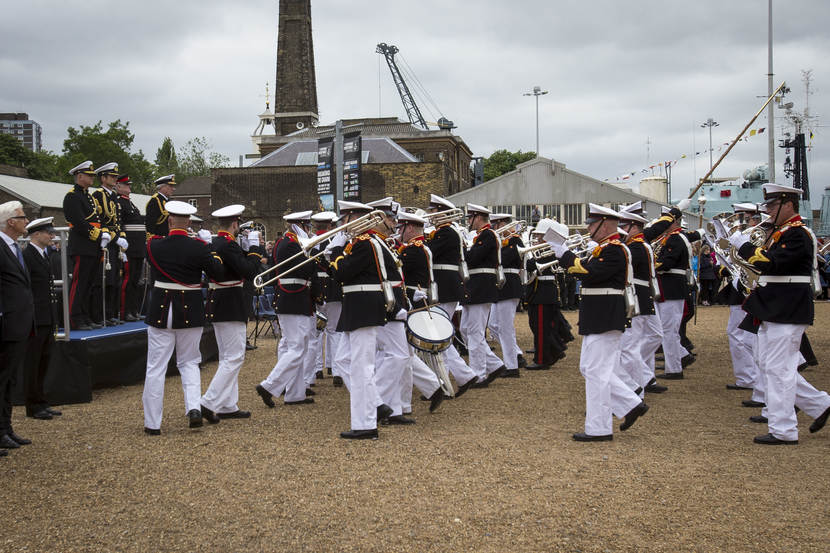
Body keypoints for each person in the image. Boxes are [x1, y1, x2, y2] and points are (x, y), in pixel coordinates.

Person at [731, 183, 830, 444]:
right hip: (775, 305)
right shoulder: (782, 233)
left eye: (773, 205)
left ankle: (783, 429)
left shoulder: (797, 234)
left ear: (788, 204)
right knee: (770, 364)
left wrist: (744, 247)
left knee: (779, 369)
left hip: (787, 306)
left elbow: (769, 263)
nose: (768, 210)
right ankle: (820, 405)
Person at [547, 203, 648, 442]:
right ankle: (631, 404)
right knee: (589, 368)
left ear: (604, 225)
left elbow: (588, 273)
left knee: (596, 371)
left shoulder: (614, 250)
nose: (588, 229)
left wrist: (565, 254)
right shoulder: (605, 249)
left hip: (605, 315)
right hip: (599, 315)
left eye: (591, 224)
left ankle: (599, 428)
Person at [142, 201, 224, 435]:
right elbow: (216, 272)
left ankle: (152, 423)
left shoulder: (153, 245)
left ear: (169, 220)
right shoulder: (199, 246)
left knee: (156, 367)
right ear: (188, 222)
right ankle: (194, 408)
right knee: (189, 362)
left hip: (160, 310)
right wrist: (211, 249)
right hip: (190, 309)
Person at [327, 200, 394, 439]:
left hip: (362, 306)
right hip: (357, 306)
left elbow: (342, 272)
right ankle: (376, 404)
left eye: (345, 220)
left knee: (361, 366)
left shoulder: (365, 243)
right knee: (343, 360)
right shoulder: (360, 243)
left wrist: (335, 252)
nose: (343, 225)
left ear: (354, 219)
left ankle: (366, 424)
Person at [201, 205, 264, 423]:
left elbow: (237, 266)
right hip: (230, 302)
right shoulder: (228, 244)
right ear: (235, 224)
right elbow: (249, 271)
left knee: (227, 356)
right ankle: (208, 402)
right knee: (235, 356)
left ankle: (228, 405)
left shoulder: (217, 243)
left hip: (220, 301)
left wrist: (244, 250)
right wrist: (254, 249)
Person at [256, 211, 319, 411]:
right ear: (300, 226)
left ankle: (295, 393)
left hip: (294, 298)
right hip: (293, 298)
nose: (309, 231)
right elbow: (305, 270)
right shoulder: (291, 244)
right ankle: (269, 385)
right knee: (297, 347)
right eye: (307, 227)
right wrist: (314, 255)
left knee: (299, 346)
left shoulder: (286, 242)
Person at [424, 195, 477, 396]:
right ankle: (460, 376)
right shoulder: (445, 232)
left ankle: (448, 381)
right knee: (440, 334)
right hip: (446, 286)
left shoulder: (446, 232)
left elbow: (429, 253)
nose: (430, 215)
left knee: (440, 334)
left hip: (445, 287)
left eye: (433, 211)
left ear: (441, 212)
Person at [617, 204, 667, 395]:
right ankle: (644, 379)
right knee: (634, 344)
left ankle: (640, 379)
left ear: (634, 227)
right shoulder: (634, 246)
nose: (621, 230)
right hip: (640, 295)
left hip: (641, 295)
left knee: (650, 338)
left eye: (624, 226)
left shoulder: (636, 246)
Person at [0, 201, 35, 455]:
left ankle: (6, 427)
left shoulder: (14, 247)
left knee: (10, 379)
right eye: (23, 217)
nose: (27, 221)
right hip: (6, 324)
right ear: (10, 222)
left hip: (19, 323)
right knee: (2, 379)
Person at [461, 203, 507, 386]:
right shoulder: (481, 235)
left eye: (471, 218)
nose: (469, 222)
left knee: (475, 332)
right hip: (475, 287)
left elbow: (472, 259)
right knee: (466, 329)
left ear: (478, 217)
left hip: (481, 286)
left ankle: (479, 374)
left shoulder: (488, 235)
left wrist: (461, 249)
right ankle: (494, 365)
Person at [22, 217, 61, 420]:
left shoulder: (44, 254)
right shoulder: (27, 255)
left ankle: (42, 401)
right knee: (33, 362)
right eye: (48, 232)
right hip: (36, 317)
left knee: (44, 360)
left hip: (47, 316)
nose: (52, 236)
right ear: (36, 234)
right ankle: (33, 405)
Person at [63, 161, 110, 330]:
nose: (92, 178)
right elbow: (78, 221)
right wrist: (98, 234)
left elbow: (99, 219)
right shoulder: (72, 196)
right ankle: (74, 318)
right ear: (79, 176)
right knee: (79, 283)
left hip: (93, 246)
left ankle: (85, 315)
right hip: (82, 245)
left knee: (89, 283)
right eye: (89, 175)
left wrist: (104, 232)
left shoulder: (89, 197)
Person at [523, 219, 570, 370]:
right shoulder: (545, 249)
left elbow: (531, 265)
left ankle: (542, 359)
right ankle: (553, 351)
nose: (537, 238)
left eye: (540, 235)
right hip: (540, 290)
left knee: (542, 328)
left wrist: (529, 259)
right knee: (539, 326)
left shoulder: (551, 249)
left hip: (544, 291)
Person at [90, 162, 128, 325]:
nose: (114, 179)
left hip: (115, 242)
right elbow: (99, 220)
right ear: (103, 178)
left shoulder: (113, 196)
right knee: (103, 281)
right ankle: (99, 315)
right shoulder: (98, 195)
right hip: (105, 241)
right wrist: (113, 237)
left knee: (114, 280)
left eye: (115, 177)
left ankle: (111, 313)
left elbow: (118, 220)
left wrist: (122, 237)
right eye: (111, 176)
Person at [488, 213, 526, 376]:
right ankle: (516, 353)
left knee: (505, 327)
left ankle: (512, 366)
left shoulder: (514, 240)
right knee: (492, 324)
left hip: (510, 284)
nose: (493, 228)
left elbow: (504, 259)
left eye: (495, 225)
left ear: (503, 224)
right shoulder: (500, 241)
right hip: (500, 286)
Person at [115, 175, 147, 321]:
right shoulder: (119, 203)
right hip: (129, 248)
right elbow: (120, 223)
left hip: (138, 247)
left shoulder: (130, 203)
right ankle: (125, 311)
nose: (129, 187)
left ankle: (133, 309)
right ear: (118, 186)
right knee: (127, 281)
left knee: (135, 280)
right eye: (126, 185)